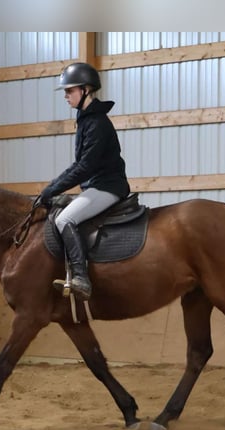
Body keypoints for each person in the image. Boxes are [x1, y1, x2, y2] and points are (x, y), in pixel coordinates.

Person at [36, 62, 131, 300]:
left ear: (85, 90)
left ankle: (81, 278)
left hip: (108, 186)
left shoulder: (97, 123)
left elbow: (85, 167)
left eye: (69, 91)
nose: (66, 96)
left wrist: (52, 188)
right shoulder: (86, 120)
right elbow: (79, 166)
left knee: (65, 219)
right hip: (96, 185)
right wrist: (52, 187)